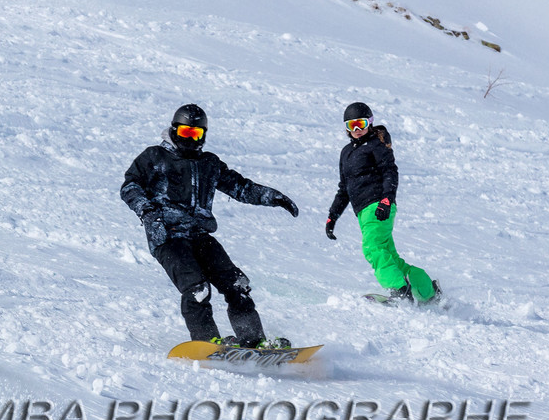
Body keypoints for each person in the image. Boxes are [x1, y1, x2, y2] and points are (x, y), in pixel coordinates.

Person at [121, 104, 300, 347]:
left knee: (237, 285)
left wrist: (273, 197)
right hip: (168, 236)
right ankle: (207, 343)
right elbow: (130, 186)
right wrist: (148, 212)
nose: (190, 139)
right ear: (174, 131)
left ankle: (254, 341)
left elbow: (241, 187)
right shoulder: (155, 157)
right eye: (185, 132)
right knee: (198, 289)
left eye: (195, 134)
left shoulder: (209, 163)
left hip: (199, 235)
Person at [324, 102, 437, 303]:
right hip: (364, 211)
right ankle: (428, 290)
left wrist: (387, 199)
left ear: (370, 122)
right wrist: (333, 216)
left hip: (377, 205)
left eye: (360, 124)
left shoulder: (376, 145)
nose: (357, 130)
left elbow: (390, 172)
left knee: (373, 248)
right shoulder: (346, 152)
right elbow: (344, 188)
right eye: (352, 126)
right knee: (389, 256)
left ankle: (399, 291)